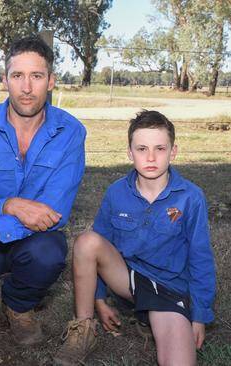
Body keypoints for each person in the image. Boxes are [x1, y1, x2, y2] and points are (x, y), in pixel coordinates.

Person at [0, 35, 87, 358]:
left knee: (49, 253)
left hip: (31, 240)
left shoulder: (71, 132)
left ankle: (18, 303)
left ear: (50, 81)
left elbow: (54, 213)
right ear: (4, 80)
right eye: (17, 76)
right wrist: (11, 205)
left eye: (36, 76)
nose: (26, 87)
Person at [54, 110, 216, 366]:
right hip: (127, 280)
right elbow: (98, 248)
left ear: (173, 152)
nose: (150, 157)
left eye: (160, 148)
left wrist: (199, 316)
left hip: (168, 288)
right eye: (141, 149)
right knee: (87, 241)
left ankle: (149, 316)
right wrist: (100, 300)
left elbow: (201, 259)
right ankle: (83, 329)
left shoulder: (191, 197)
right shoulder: (117, 192)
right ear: (130, 153)